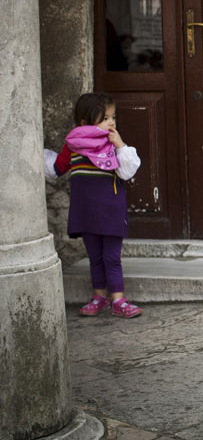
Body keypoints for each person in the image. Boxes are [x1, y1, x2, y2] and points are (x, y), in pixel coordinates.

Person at [44, 92, 143, 318]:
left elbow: (127, 171)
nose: (111, 123)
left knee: (111, 257)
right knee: (95, 257)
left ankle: (118, 300)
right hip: (86, 212)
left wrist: (120, 145)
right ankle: (99, 297)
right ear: (84, 124)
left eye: (113, 117)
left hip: (110, 212)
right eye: (105, 118)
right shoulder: (73, 147)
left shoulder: (112, 145)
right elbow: (56, 168)